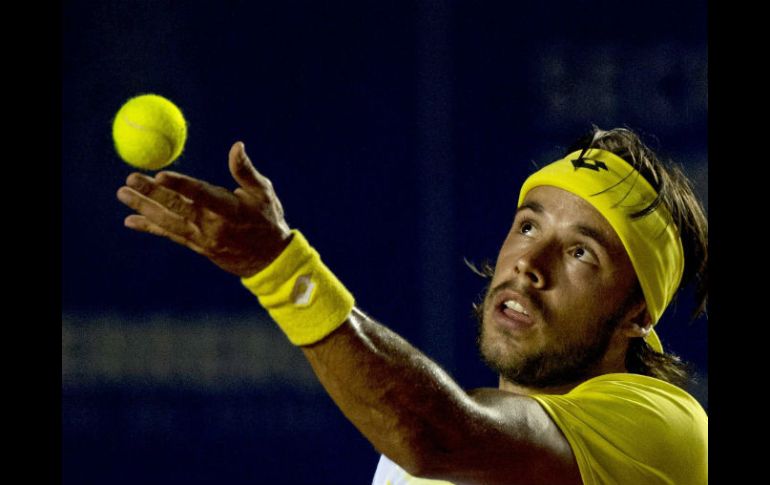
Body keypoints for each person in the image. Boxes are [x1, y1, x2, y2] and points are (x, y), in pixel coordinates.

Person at [116, 126, 708, 485]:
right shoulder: (406, 463)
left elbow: (434, 433)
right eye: (528, 227)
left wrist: (277, 268)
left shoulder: (664, 430)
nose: (530, 264)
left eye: (581, 253)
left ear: (637, 316)